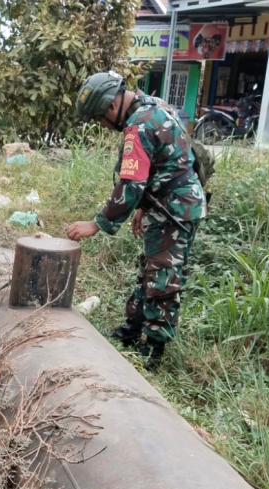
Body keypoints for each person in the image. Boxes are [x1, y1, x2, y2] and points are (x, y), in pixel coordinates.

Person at [66, 71, 206, 370]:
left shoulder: (138, 126)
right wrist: (143, 208)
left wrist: (98, 224)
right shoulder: (153, 105)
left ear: (111, 106)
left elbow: (131, 184)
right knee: (150, 267)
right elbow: (162, 164)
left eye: (100, 118)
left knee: (163, 275)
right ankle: (133, 328)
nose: (103, 125)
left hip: (175, 209)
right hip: (168, 202)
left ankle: (154, 347)